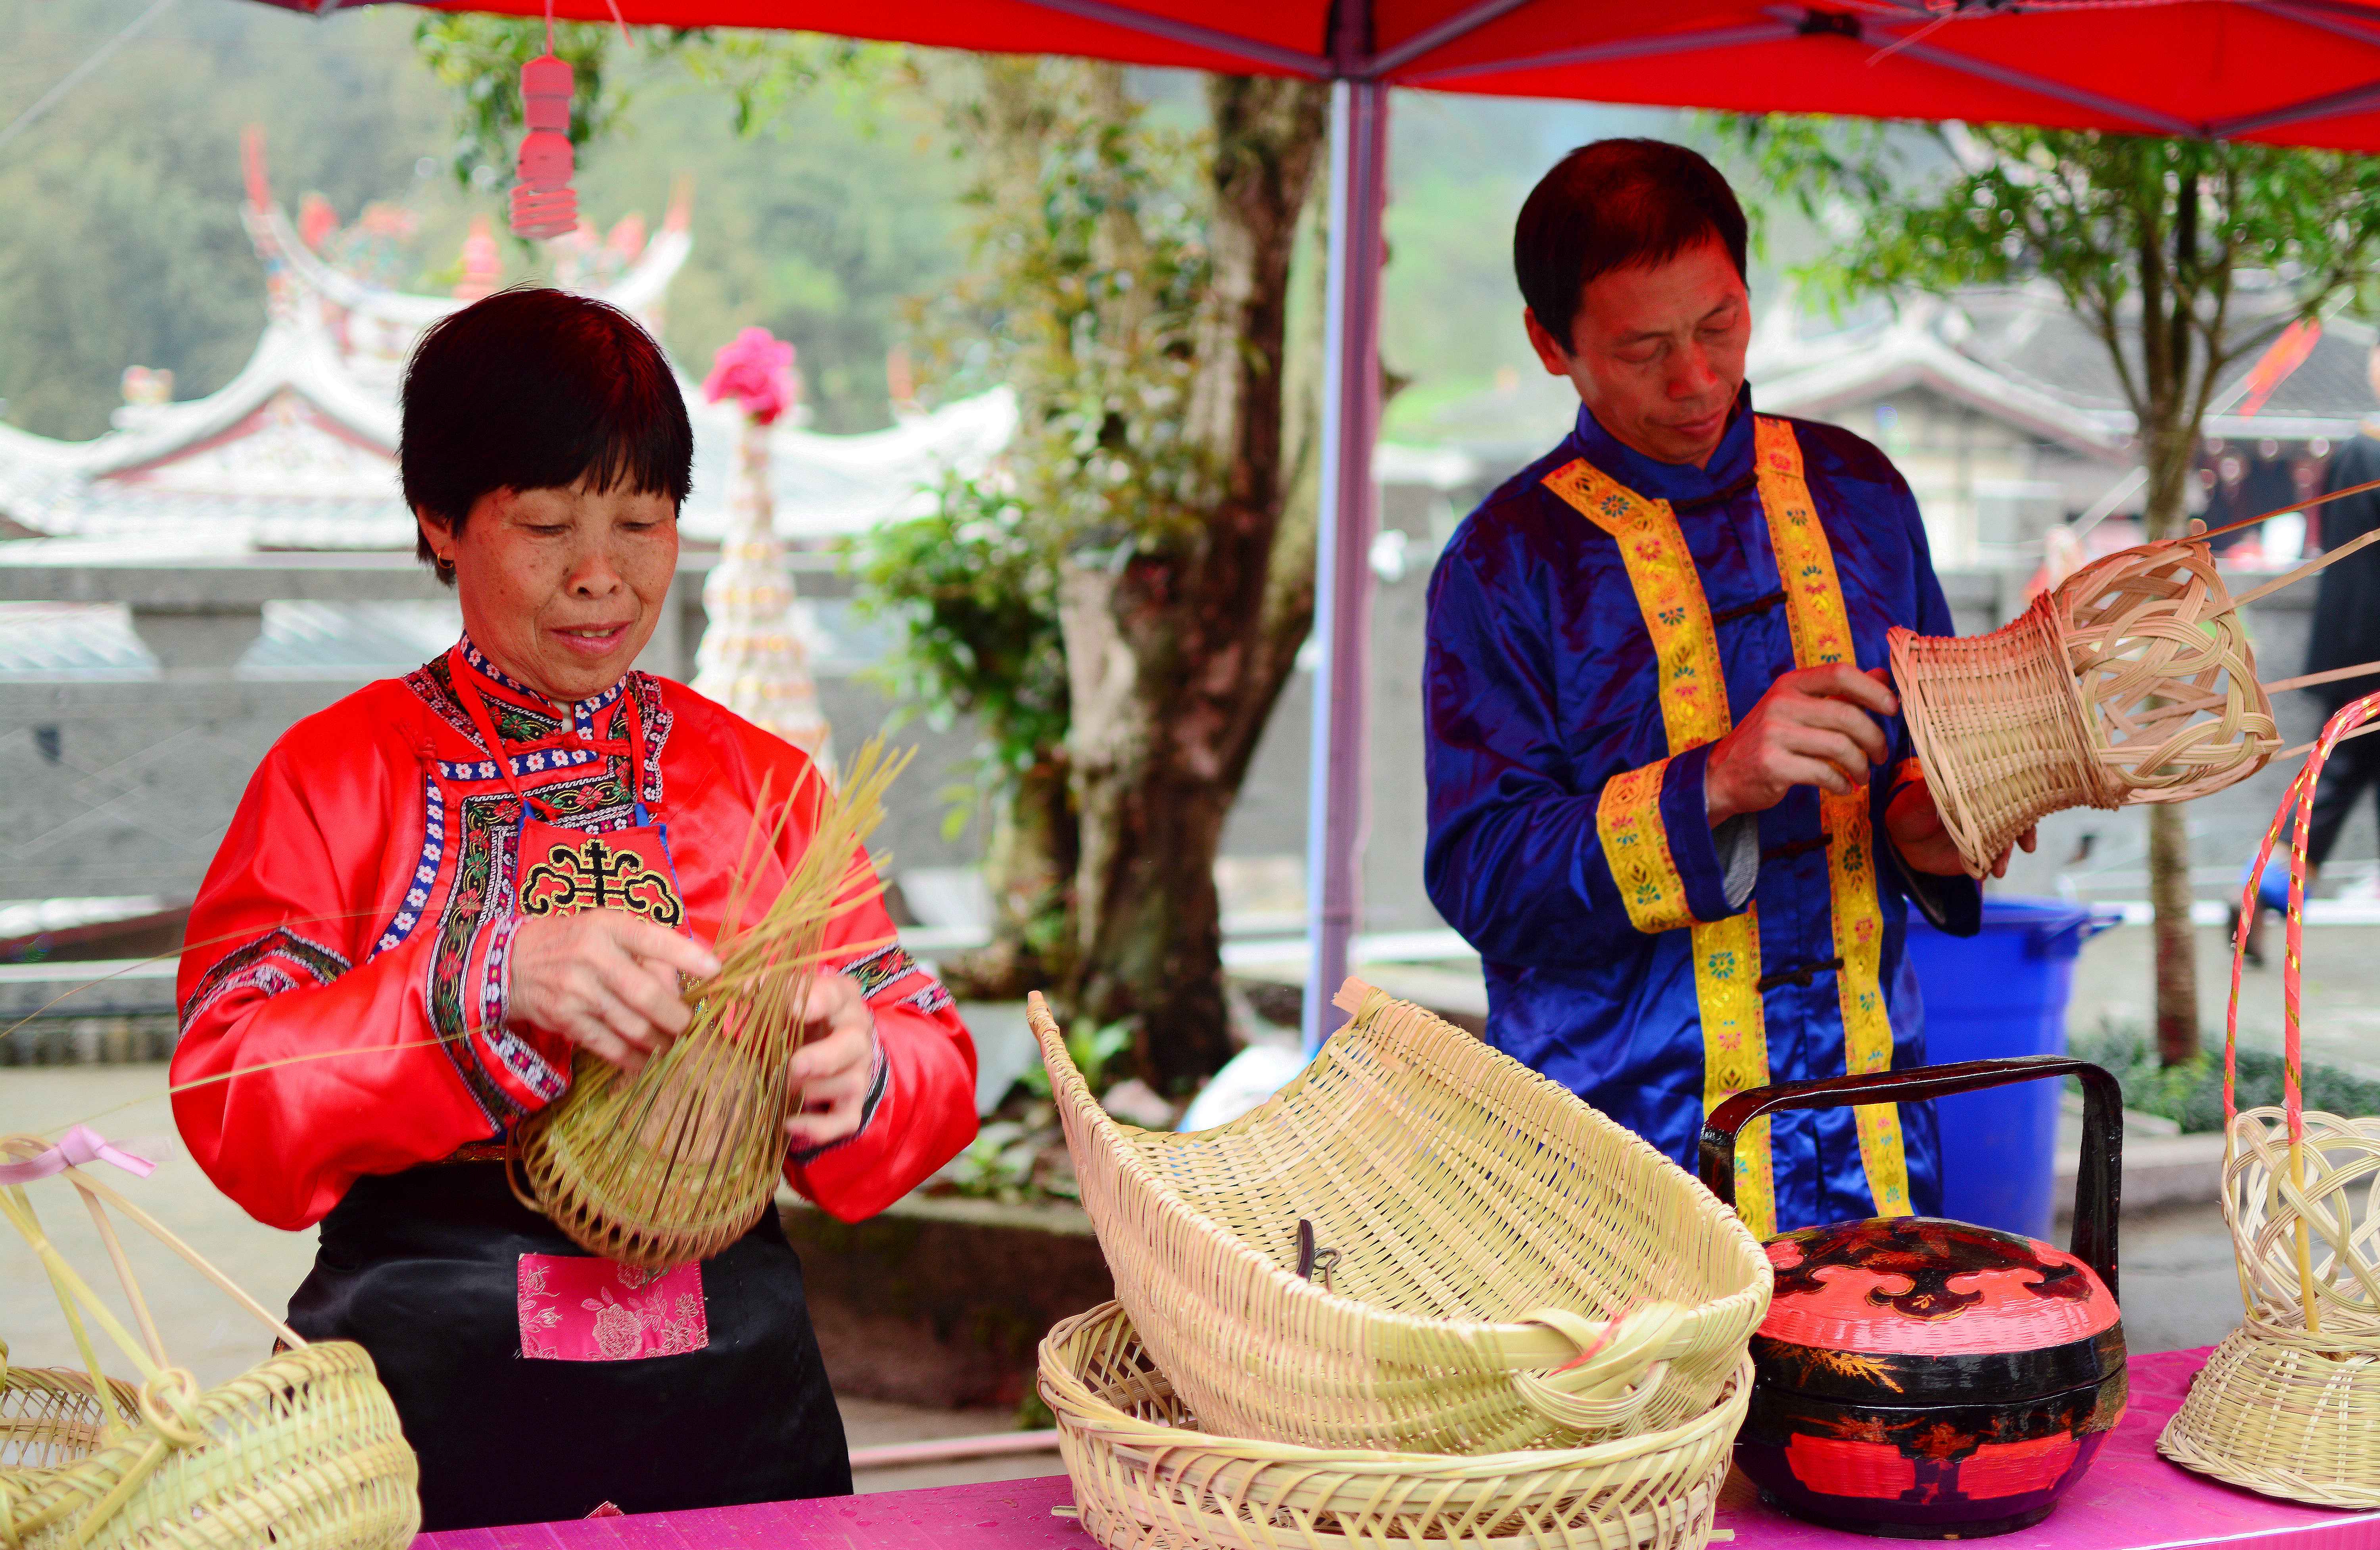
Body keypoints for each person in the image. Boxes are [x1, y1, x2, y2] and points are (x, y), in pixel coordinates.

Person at [171, 289, 978, 1530]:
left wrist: (858, 1065)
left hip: (736, 1389)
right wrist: (486, 979)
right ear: (440, 521)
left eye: (642, 523)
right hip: (417, 1391)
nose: (599, 575)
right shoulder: (338, 774)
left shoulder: (754, 782)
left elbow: (929, 1051)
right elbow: (230, 1091)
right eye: (546, 524)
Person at [1423, 141, 2031, 1241]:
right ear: (1550, 343)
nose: (1697, 379)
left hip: (1873, 1145)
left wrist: (1938, 822)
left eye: (1720, 326)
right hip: (1621, 1176)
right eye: (1645, 348)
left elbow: (1915, 776)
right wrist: (1715, 783)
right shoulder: (1505, 562)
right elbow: (1482, 873)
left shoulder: (1861, 496)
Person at [2297, 346, 2380, 880]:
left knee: (2333, 780)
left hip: (2351, 641)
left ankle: (2263, 895)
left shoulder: (2356, 451)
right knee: (2336, 779)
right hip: (2368, 648)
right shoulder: (2367, 452)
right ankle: (2265, 894)